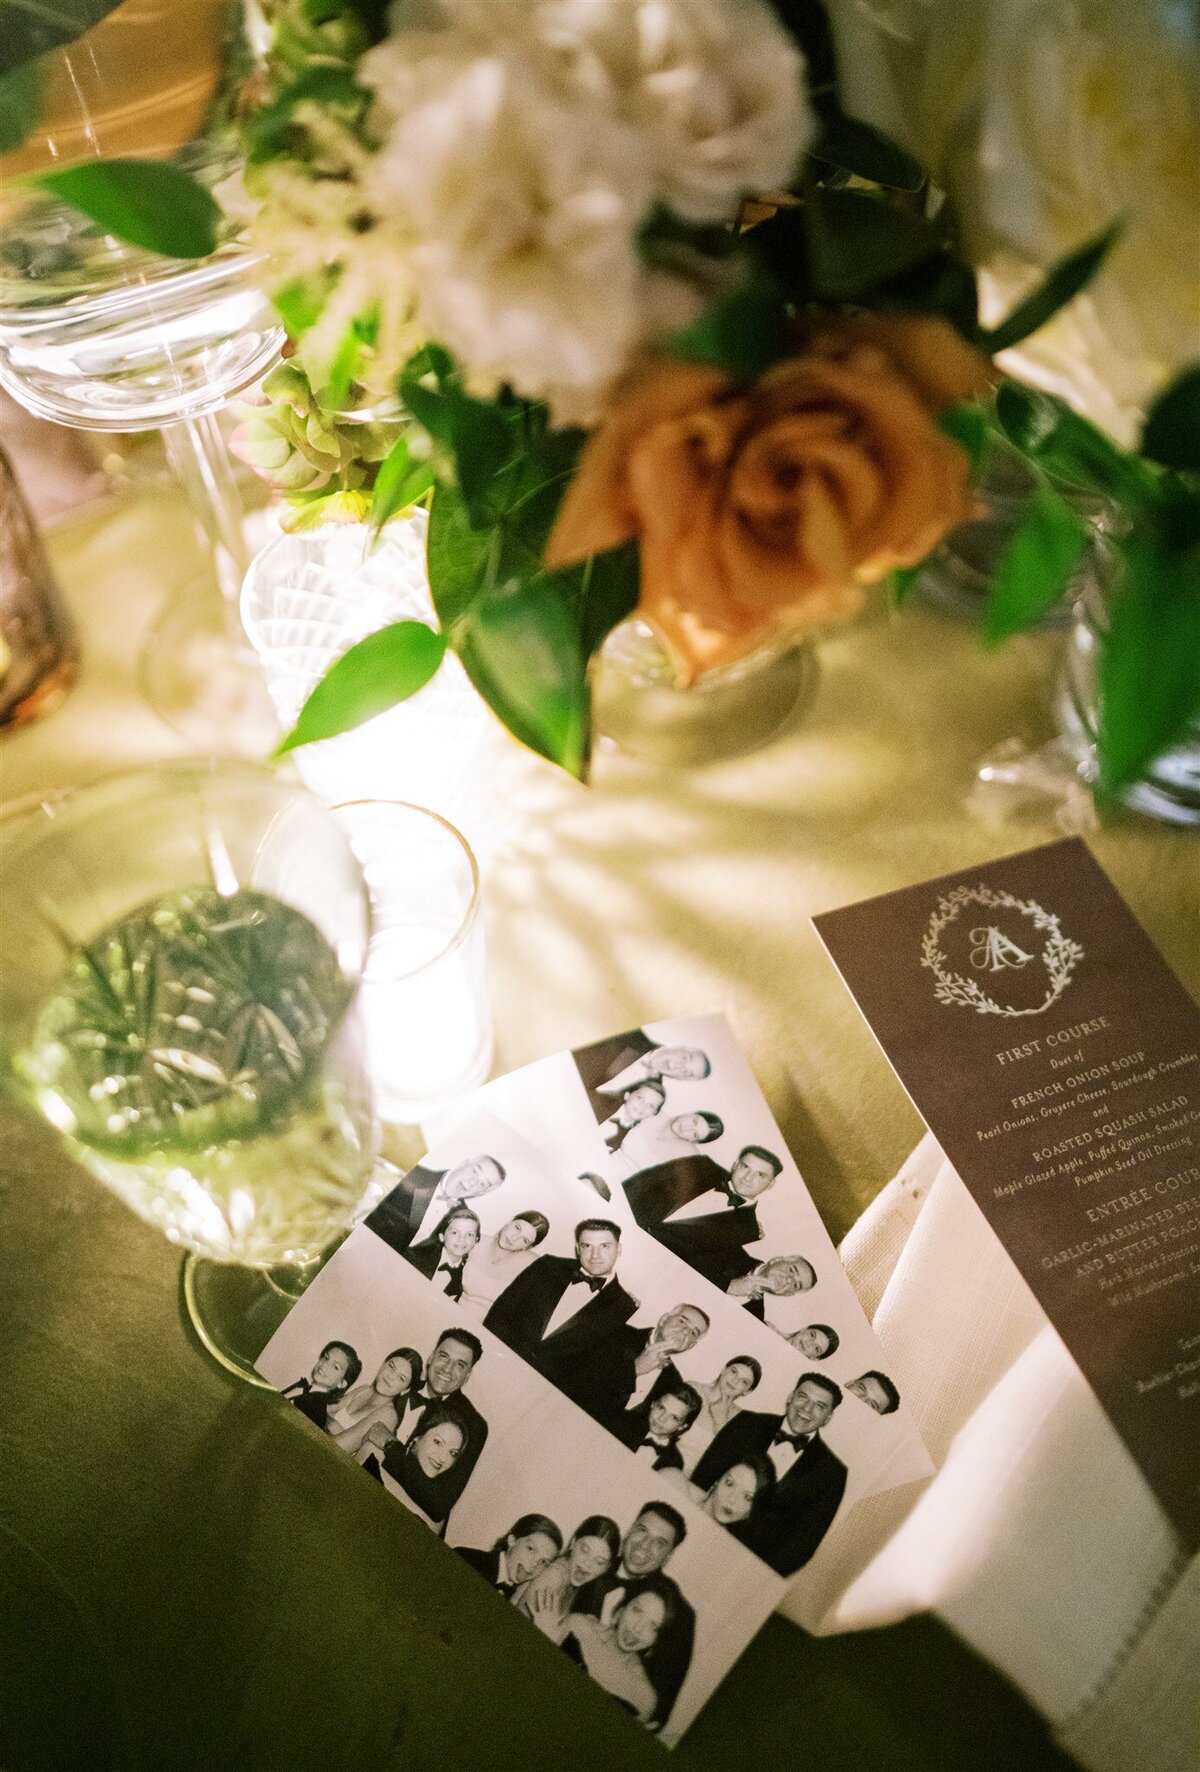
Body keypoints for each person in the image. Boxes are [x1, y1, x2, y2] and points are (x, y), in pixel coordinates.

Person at [691, 1374, 847, 1577]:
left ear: (828, 1418)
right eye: (802, 1397)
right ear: (790, 1397)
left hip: (745, 1573)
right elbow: (701, 1479)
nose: (806, 1409)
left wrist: (748, 1574)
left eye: (819, 1405)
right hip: (698, 1535)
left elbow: (803, 1545)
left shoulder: (832, 1473)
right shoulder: (747, 1422)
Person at [484, 1219, 638, 1421]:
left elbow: (590, 1370)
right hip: (494, 1366)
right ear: (577, 1248)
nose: (595, 1255)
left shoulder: (624, 1307)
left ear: (619, 1249)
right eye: (587, 1246)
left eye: (605, 1246)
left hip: (538, 1401)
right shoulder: (548, 1265)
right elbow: (501, 1311)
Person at [572, 1503, 694, 1731]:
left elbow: (657, 1712)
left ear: (668, 1557)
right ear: (629, 1531)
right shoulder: (593, 1557)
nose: (645, 1545)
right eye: (642, 1531)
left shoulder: (679, 1614)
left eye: (660, 1543)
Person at [361, 1327, 488, 1529]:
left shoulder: (474, 1424)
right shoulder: (400, 1381)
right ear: (430, 1357)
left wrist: (390, 1444)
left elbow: (438, 1503)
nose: (447, 1368)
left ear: (467, 1375)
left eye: (460, 1365)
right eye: (443, 1356)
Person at [621, 1144, 784, 1291]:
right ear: (735, 1165)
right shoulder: (701, 1165)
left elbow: (698, 1266)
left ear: (770, 1184)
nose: (748, 1177)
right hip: (619, 1224)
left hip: (642, 1268)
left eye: (760, 1175)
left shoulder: (747, 1231)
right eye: (745, 1167)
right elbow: (640, 1183)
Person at [560, 1576, 680, 1727]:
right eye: (637, 1610)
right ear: (621, 1610)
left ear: (656, 1640)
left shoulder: (644, 1697)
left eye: (653, 1626)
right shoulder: (578, 1628)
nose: (638, 1628)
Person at [365, 1153, 506, 1254]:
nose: (471, 1182)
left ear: (481, 1193)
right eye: (474, 1171)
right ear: (463, 1164)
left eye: (482, 1184)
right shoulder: (412, 1173)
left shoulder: (464, 1221)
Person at [608, 1303, 710, 1442]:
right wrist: (636, 1368)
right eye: (682, 1321)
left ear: (690, 1345)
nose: (685, 1331)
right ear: (663, 1319)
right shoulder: (616, 1332)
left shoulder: (674, 1380)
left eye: (693, 1332)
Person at [368, 1400, 474, 1528]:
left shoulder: (437, 1514)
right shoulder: (374, 1458)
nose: (443, 1458)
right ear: (417, 1438)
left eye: (453, 1453)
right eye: (438, 1442)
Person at [516, 1515, 622, 1640]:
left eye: (599, 1561)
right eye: (585, 1550)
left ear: (607, 1567)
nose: (587, 1563)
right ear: (573, 1542)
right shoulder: (555, 1577)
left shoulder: (575, 1584)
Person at [573, 1029, 712, 1122]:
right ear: (681, 1047)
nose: (678, 1066)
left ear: (682, 1079)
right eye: (684, 1058)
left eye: (686, 1072)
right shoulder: (630, 1033)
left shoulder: (652, 1096)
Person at [328, 1347, 423, 1458]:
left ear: (405, 1390)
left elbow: (338, 1446)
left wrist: (330, 1422)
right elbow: (322, 1410)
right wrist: (335, 1426)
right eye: (391, 1366)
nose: (391, 1376)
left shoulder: (388, 1414)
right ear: (383, 1364)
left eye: (401, 1378)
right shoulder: (364, 1389)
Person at [459, 1209, 551, 1318]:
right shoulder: (473, 1241)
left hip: (488, 1330)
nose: (514, 1238)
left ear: (527, 1247)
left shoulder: (532, 1265)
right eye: (517, 1228)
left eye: (525, 1240)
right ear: (509, 1221)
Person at [455, 1514, 563, 1598]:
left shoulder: (518, 1599)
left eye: (544, 1562)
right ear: (512, 1540)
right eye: (530, 1549)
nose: (535, 1564)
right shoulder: (465, 1558)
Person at [679, 1355, 763, 1461]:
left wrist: (721, 1422)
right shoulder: (692, 1389)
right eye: (734, 1371)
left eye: (744, 1381)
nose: (735, 1380)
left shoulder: (742, 1419)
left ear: (747, 1391)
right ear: (723, 1370)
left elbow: (725, 1460)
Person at [695, 1455, 777, 1548]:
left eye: (747, 1497)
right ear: (717, 1480)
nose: (732, 1500)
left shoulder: (728, 1551)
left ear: (754, 1510)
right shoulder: (678, 1486)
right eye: (729, 1483)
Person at [616, 1109, 724, 1175]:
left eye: (694, 1134)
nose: (688, 1128)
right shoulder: (653, 1112)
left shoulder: (688, 1157)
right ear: (690, 1113)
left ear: (693, 1141)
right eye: (694, 1121)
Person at [405, 1205, 482, 1299]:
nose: (462, 1239)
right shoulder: (415, 1256)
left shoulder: (466, 1278)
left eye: (469, 1234)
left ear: (475, 1241)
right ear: (442, 1236)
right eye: (455, 1232)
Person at [281, 1340, 361, 1429]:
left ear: (341, 1384)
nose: (324, 1364)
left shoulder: (315, 1408)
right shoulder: (305, 1391)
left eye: (335, 1367)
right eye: (326, 1357)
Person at [629, 1383, 703, 1472]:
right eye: (661, 1408)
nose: (662, 1418)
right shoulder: (621, 1421)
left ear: (683, 1426)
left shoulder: (673, 1462)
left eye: (673, 1417)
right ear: (653, 1403)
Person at [727, 1254, 816, 1321]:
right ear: (776, 1260)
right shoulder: (731, 1251)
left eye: (795, 1285)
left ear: (787, 1294)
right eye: (791, 1270)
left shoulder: (755, 1318)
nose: (789, 1280)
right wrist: (730, 1286)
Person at [598, 1078, 666, 1154]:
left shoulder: (631, 1138)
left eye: (651, 1106)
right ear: (627, 1095)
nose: (643, 1106)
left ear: (654, 1113)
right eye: (640, 1098)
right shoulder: (598, 1102)